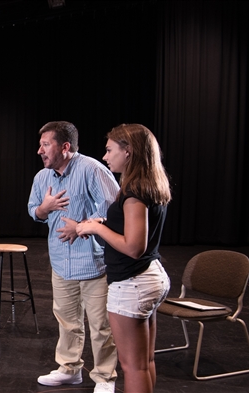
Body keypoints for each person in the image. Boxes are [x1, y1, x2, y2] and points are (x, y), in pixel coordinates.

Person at [75, 124, 171, 393]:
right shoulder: (146, 186)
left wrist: (96, 228)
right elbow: (133, 230)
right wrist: (104, 221)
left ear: (128, 151)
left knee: (133, 367)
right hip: (148, 277)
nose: (105, 157)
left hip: (133, 282)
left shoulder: (133, 193)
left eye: (109, 150)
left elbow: (133, 247)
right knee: (145, 361)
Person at [27, 121, 120, 393]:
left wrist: (80, 226)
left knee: (101, 326)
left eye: (46, 145)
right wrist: (43, 209)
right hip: (60, 264)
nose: (39, 151)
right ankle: (69, 370)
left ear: (65, 147)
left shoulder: (92, 170)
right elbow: (34, 211)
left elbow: (115, 214)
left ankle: (104, 378)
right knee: (67, 322)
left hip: (94, 264)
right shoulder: (41, 178)